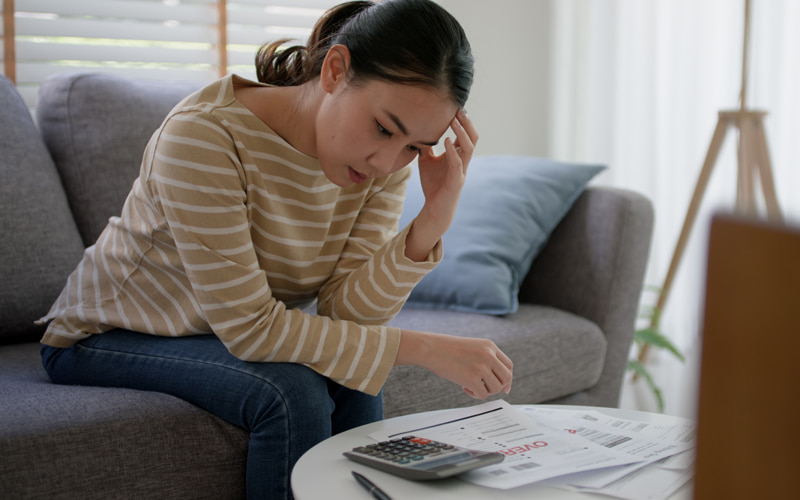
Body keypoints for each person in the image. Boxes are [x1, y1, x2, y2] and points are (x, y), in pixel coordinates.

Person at [37, 0, 513, 498]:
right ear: (335, 69)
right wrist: (425, 349)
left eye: (414, 147)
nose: (387, 160)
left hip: (213, 334)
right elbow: (250, 328)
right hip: (106, 334)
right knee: (293, 392)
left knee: (353, 379)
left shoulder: (377, 163)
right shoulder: (205, 134)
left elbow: (347, 314)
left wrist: (430, 223)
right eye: (383, 128)